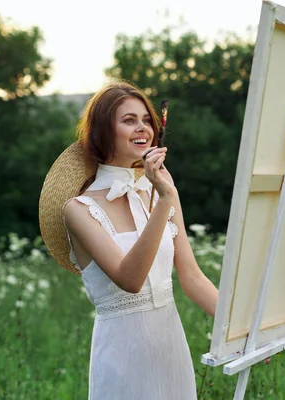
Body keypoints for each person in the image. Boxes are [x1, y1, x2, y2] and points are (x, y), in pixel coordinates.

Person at [38, 81, 218, 399]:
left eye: (147, 119)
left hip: (170, 350)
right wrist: (165, 200)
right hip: (121, 356)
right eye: (128, 120)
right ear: (104, 131)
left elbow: (192, 277)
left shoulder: (160, 187)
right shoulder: (78, 209)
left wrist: (243, 328)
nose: (142, 128)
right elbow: (130, 279)